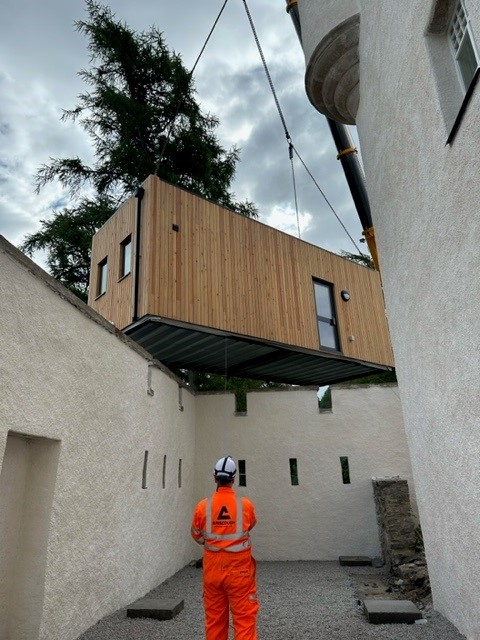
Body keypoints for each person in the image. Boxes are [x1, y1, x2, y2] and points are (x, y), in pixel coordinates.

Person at [191, 455, 259, 640]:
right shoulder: (245, 505)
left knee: (215, 622)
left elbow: (196, 535)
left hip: (213, 571)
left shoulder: (202, 507)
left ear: (215, 478)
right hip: (240, 573)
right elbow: (250, 525)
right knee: (244, 619)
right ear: (233, 479)